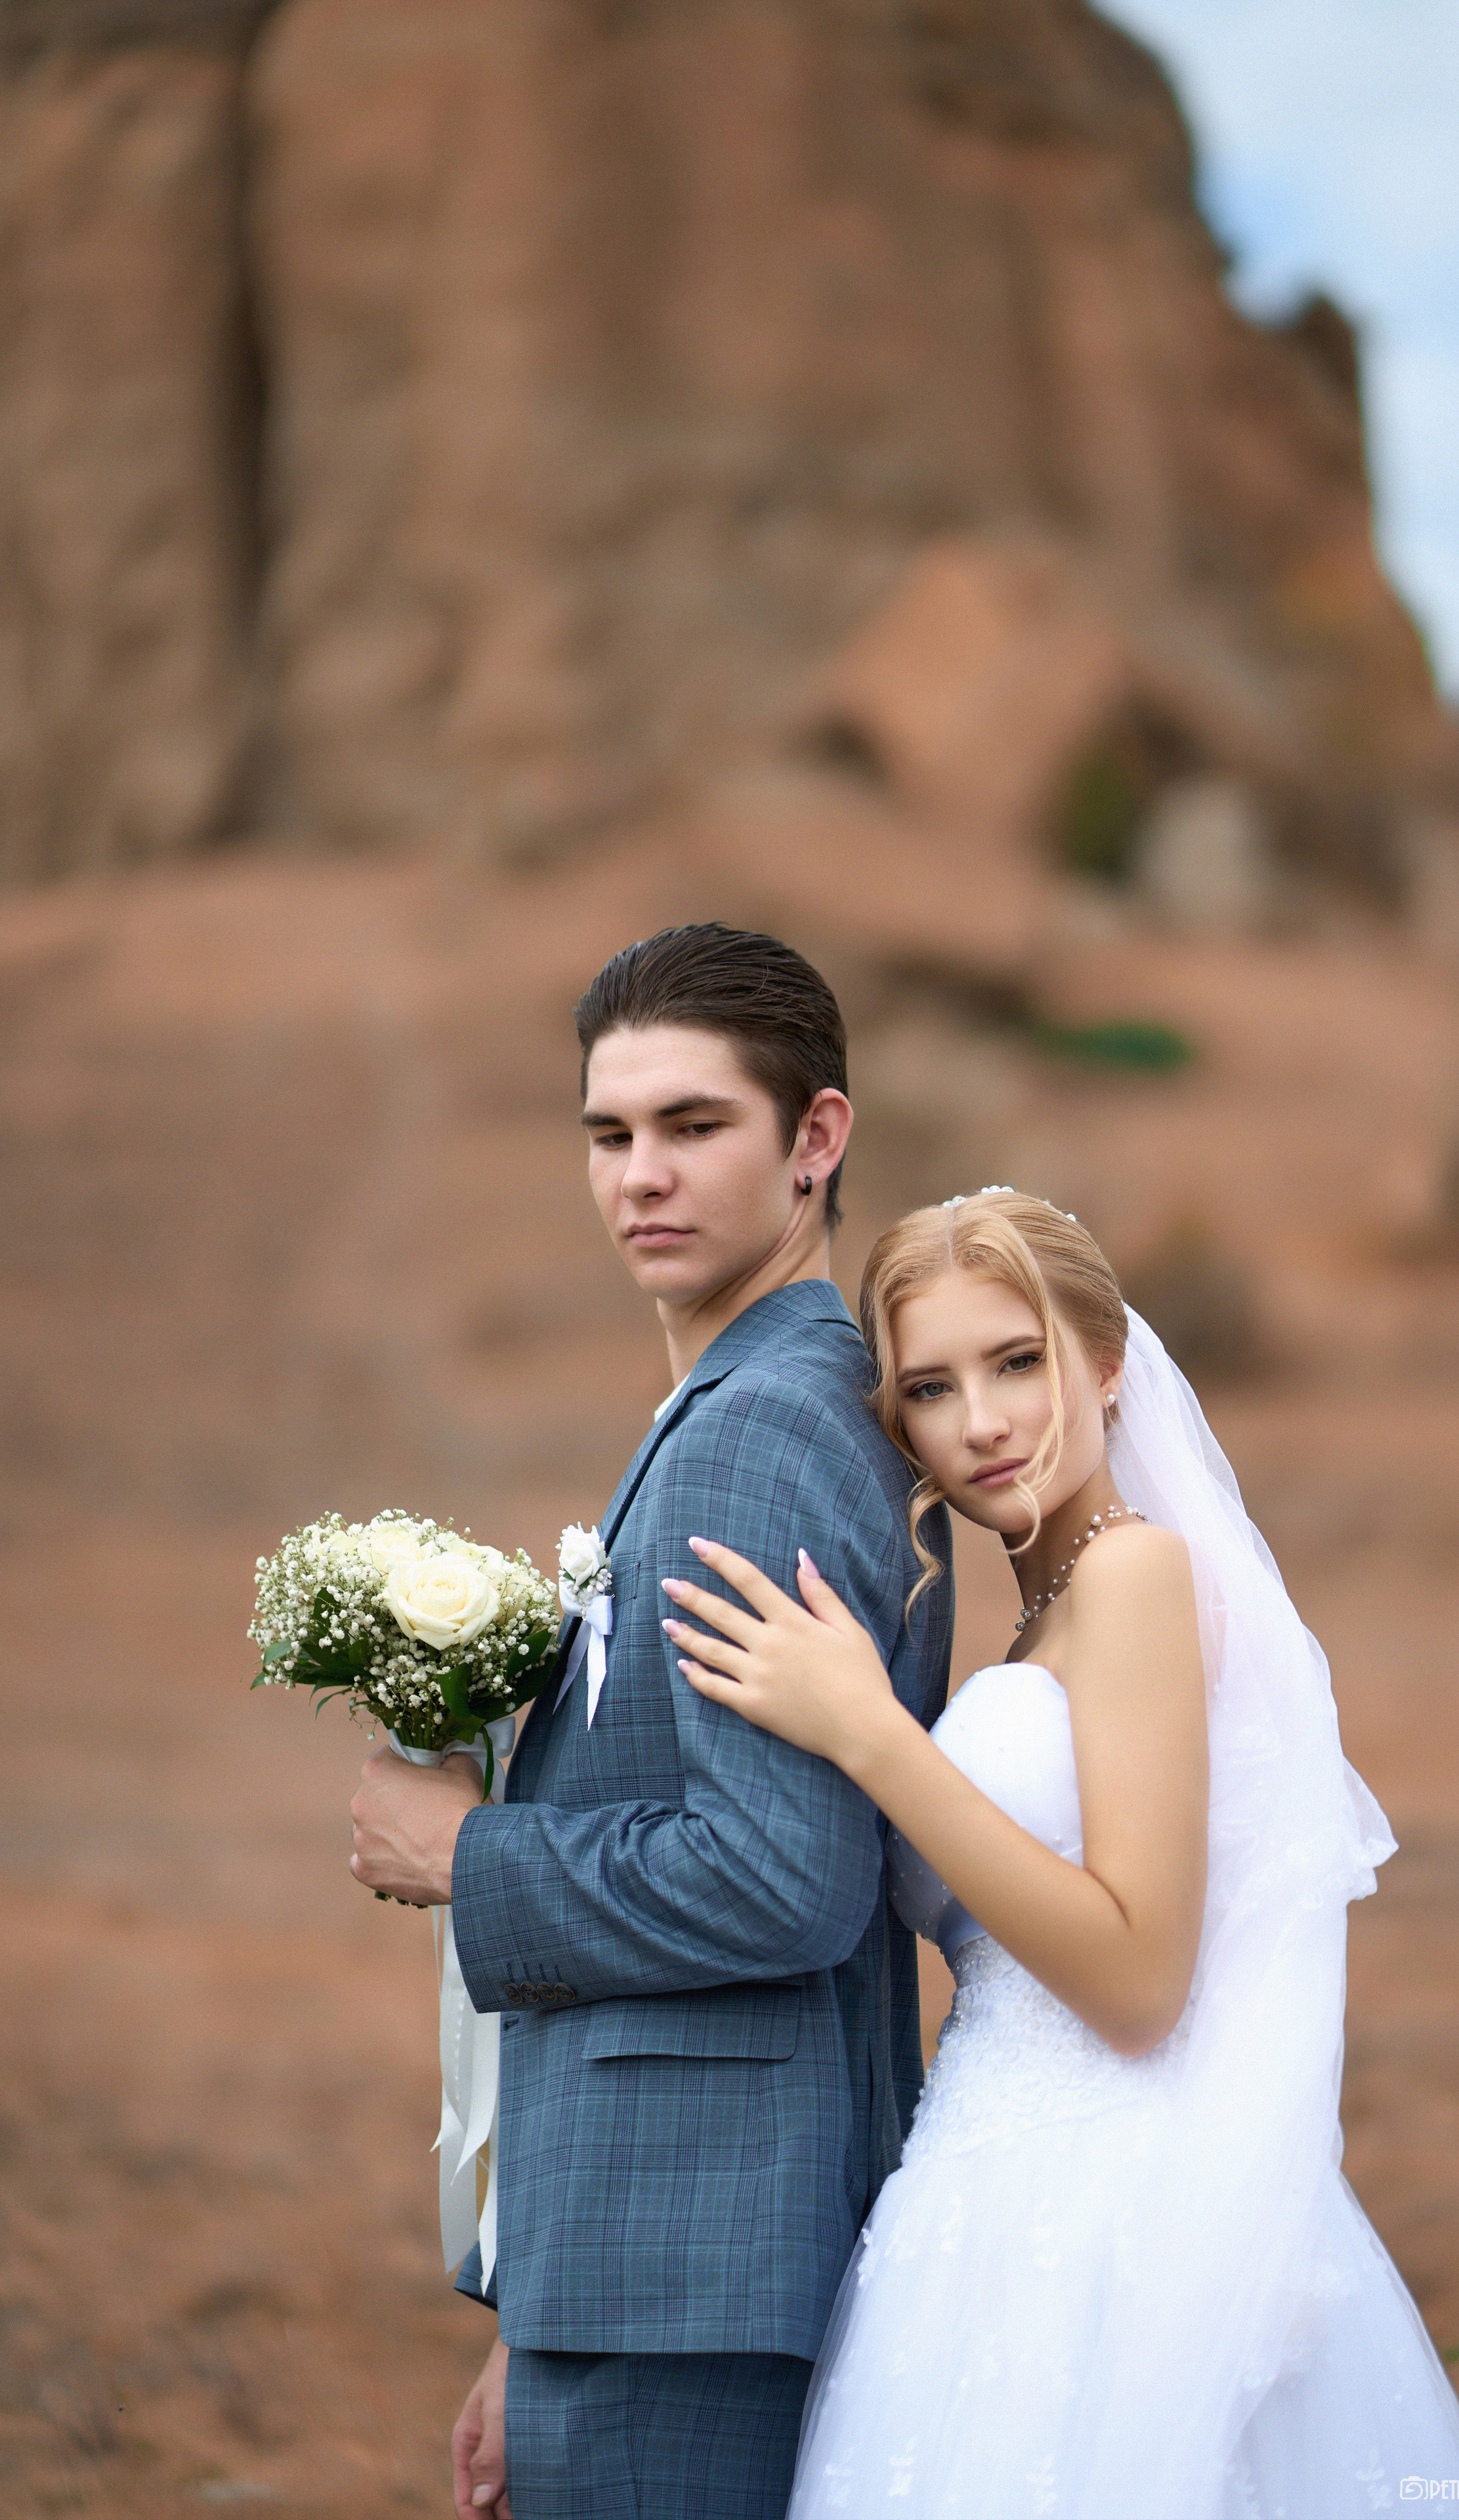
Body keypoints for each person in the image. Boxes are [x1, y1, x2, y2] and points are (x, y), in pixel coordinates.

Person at [665, 1190, 1459, 2517]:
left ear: (1106, 1366)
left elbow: (1138, 1980)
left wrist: (872, 1735)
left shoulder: (1132, 1576)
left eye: (1018, 1362)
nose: (981, 1422)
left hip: (1109, 2210)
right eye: (930, 1388)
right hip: (988, 2188)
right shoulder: (1044, 1613)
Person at [348, 925, 953, 2520]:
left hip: (698, 2271)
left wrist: (469, 1856)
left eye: (694, 1126)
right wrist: (530, 2303)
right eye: (609, 1135)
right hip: (637, 2259)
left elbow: (781, 1879)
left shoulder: (763, 1434)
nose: (641, 1177)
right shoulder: (742, 1401)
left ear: (816, 1139)